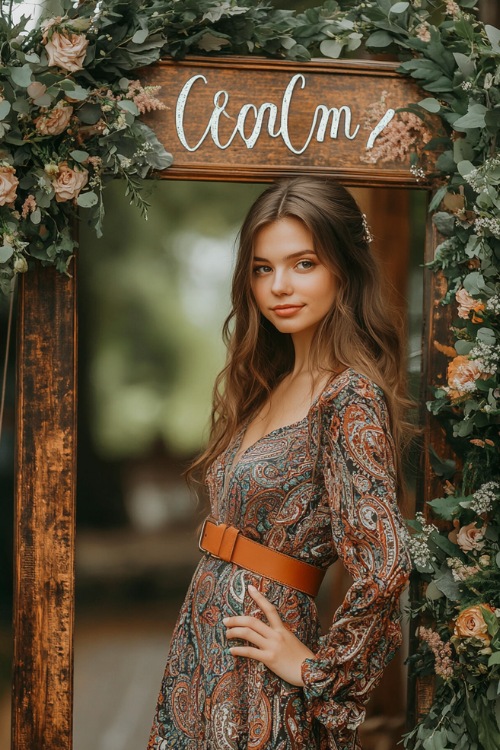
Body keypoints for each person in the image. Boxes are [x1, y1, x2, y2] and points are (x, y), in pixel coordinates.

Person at [147, 177, 412, 750]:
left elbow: (385, 564)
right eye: (262, 268)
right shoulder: (268, 385)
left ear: (343, 269)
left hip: (260, 667)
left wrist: (317, 668)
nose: (280, 286)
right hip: (205, 649)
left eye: (303, 263)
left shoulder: (349, 397)